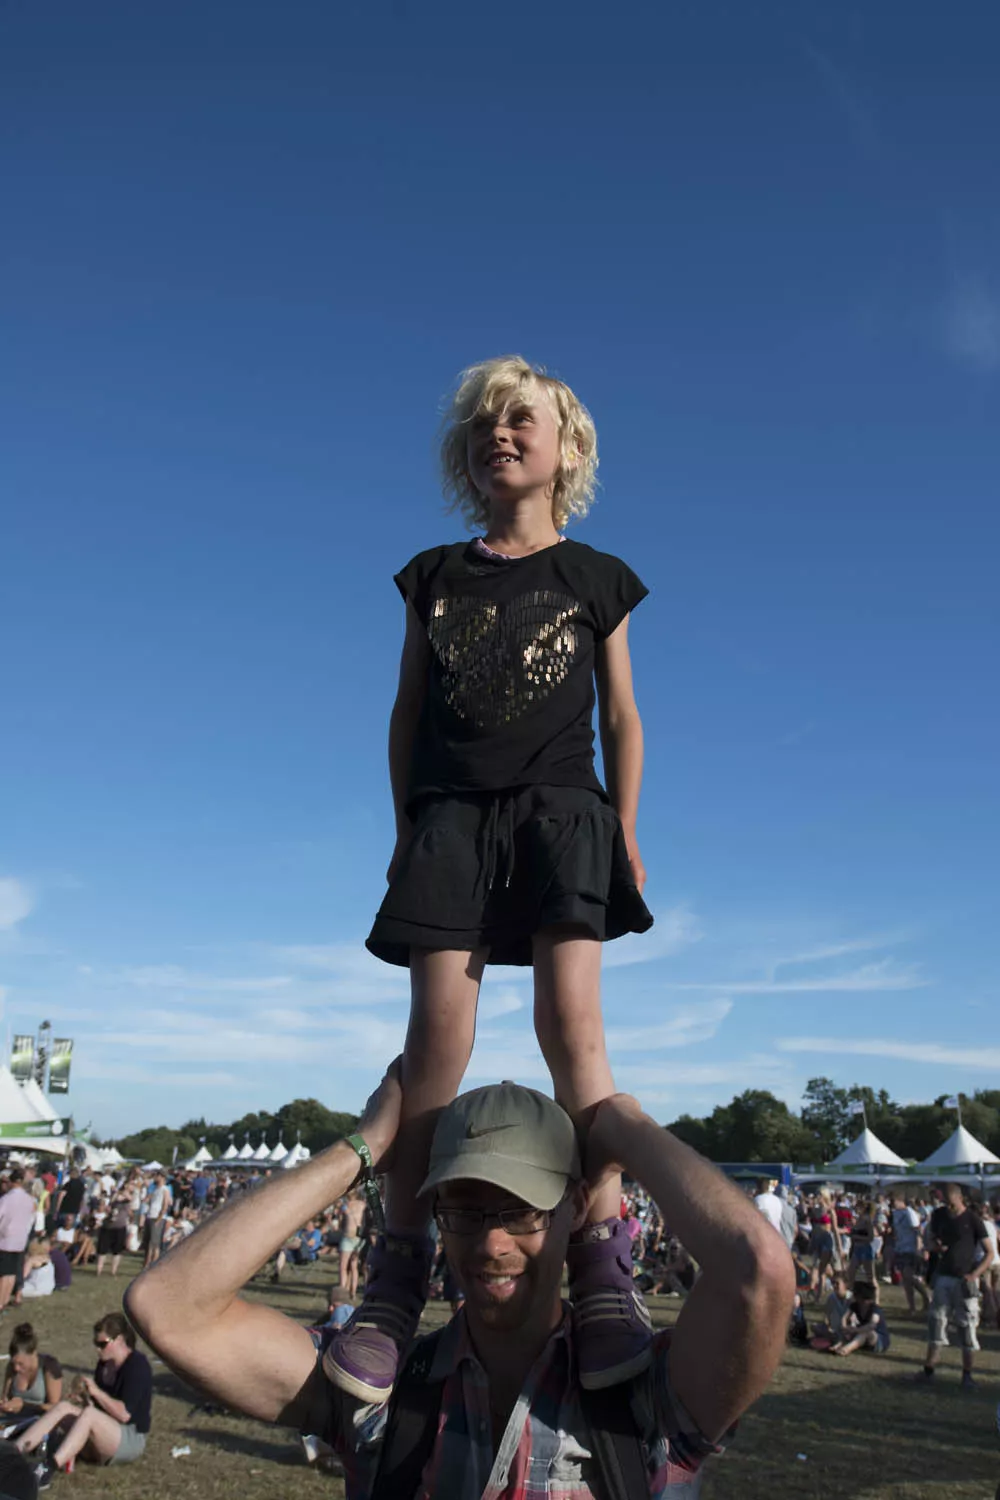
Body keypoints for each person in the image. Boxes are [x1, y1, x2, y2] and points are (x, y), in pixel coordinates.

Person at [335, 355, 656, 1406]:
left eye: (520, 420)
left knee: (574, 1031)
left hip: (563, 812)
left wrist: (625, 828)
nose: (498, 435)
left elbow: (622, 715)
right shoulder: (434, 575)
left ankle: (601, 1262)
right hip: (451, 820)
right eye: (482, 425)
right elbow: (404, 712)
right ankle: (397, 1272)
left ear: (568, 448)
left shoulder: (596, 576)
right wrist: (405, 829)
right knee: (436, 1045)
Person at [126, 1062, 793, 1499]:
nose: (491, 1244)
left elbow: (758, 1271)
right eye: (464, 1212)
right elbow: (168, 1308)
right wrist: (364, 1148)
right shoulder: (380, 1393)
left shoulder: (641, 1399)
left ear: (575, 1206)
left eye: (521, 1211)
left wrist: (625, 1128)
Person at [15, 1312, 152, 1477]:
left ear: (120, 1340)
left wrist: (96, 1392)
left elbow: (124, 1415)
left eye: (102, 1344)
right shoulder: (103, 1365)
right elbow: (97, 1409)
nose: (98, 1349)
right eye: (96, 1343)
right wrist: (85, 1398)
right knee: (63, 1407)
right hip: (106, 1433)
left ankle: (48, 1468)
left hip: (130, 1438)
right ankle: (14, 1453)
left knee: (89, 1415)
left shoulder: (137, 1365)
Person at [917, 1180, 995, 1390]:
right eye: (946, 1203)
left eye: (952, 1203)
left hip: (964, 1278)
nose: (949, 1208)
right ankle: (929, 1370)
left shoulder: (973, 1220)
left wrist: (975, 1274)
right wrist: (935, 1247)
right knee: (936, 1320)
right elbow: (930, 1241)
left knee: (966, 1325)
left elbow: (990, 1252)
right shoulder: (938, 1216)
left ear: (960, 1198)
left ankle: (967, 1374)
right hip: (943, 1275)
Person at [0, 1325, 63, 1420]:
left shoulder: (49, 1366)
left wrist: (25, 1406)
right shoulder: (12, 1368)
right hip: (11, 1421)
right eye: (13, 1363)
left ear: (33, 1354)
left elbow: (55, 1407)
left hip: (40, 1422)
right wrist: (5, 1405)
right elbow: (5, 1398)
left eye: (21, 1363)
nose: (16, 1368)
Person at [0, 1173, 36, 1318]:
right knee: (12, 1273)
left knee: (3, 1273)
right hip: (20, 1240)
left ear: (12, 1182)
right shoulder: (29, 1200)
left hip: (5, 1240)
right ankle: (5, 1301)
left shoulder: (6, 1199)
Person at [827, 1282, 889, 1358]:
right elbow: (844, 1317)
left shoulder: (875, 1309)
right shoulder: (855, 1306)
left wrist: (855, 1330)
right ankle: (837, 1346)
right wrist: (845, 1327)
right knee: (854, 1332)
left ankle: (846, 1349)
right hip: (863, 1337)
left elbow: (872, 1325)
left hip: (878, 1340)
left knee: (865, 1332)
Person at [891, 1192, 929, 1313]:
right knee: (905, 1280)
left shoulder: (909, 1212)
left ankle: (926, 1297)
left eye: (894, 1201)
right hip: (900, 1248)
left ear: (900, 1201)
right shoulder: (895, 1213)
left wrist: (919, 1248)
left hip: (910, 1249)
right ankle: (911, 1306)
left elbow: (917, 1230)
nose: (892, 1204)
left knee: (909, 1276)